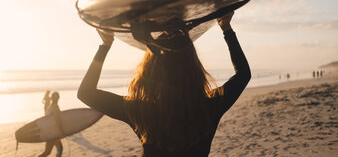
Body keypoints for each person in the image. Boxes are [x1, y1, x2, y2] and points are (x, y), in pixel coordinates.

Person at [78, 12, 251, 156]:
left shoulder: (140, 111)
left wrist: (105, 45)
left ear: (149, 72)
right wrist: (226, 28)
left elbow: (85, 92)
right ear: (193, 67)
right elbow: (243, 74)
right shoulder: (209, 107)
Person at [38, 91, 64, 157]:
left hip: (50, 132)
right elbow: (58, 120)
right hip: (53, 133)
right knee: (48, 152)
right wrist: (62, 131)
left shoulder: (49, 107)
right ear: (58, 98)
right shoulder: (55, 107)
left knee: (59, 149)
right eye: (58, 98)